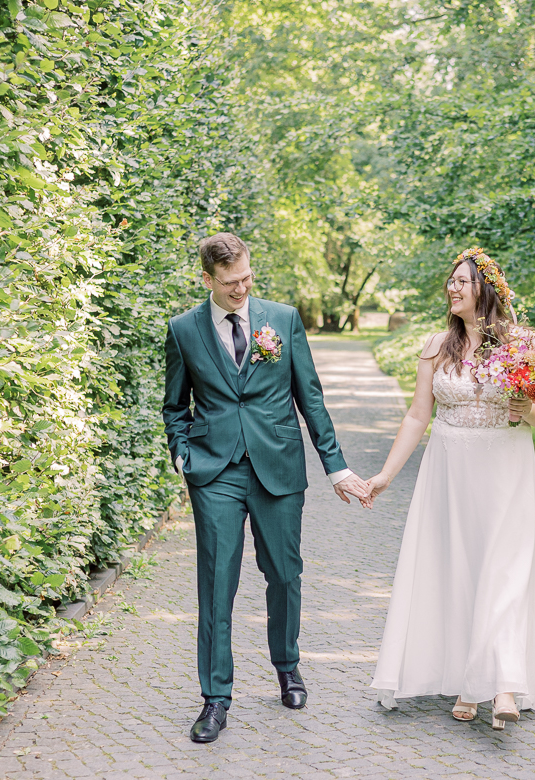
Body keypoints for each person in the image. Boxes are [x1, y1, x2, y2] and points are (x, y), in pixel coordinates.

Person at [163, 232, 371, 743]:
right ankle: (215, 699)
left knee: (284, 574)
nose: (241, 289)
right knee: (216, 585)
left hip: (277, 465)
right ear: (207, 279)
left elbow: (311, 397)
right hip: (215, 471)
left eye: (247, 278)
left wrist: (337, 466)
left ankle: (287, 665)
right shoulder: (183, 330)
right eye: (230, 283)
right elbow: (175, 406)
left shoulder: (282, 319)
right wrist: (181, 451)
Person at [364, 248, 535, 729]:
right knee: (458, 569)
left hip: (505, 466)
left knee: (503, 570)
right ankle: (468, 678)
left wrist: (525, 409)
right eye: (450, 281)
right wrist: (385, 477)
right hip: (449, 469)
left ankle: (500, 686)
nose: (453, 288)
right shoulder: (438, 346)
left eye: (462, 281)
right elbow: (418, 415)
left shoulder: (523, 344)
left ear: (486, 289)